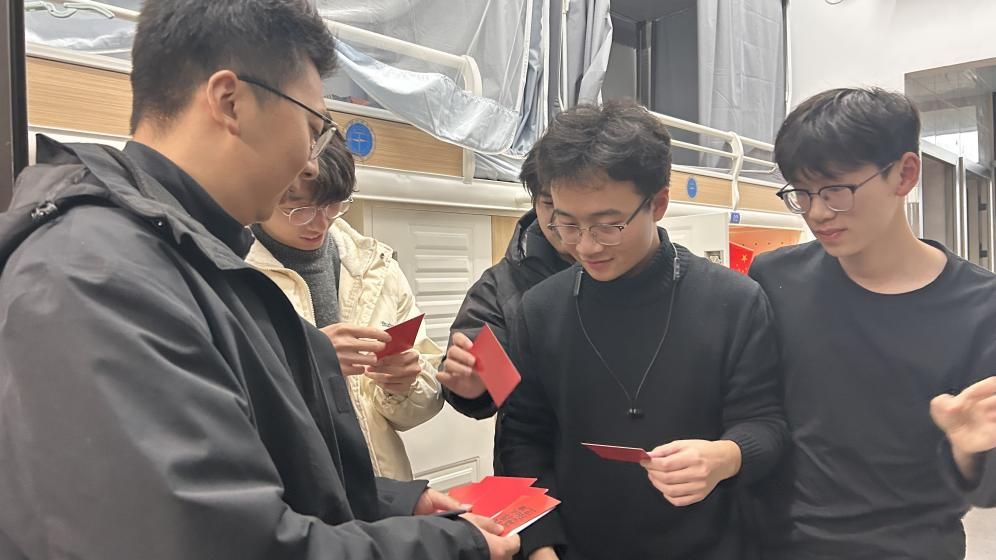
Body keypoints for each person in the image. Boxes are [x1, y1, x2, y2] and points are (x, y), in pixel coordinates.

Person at [0, 1, 518, 559]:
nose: (310, 163)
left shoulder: (193, 258)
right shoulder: (96, 273)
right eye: (313, 129)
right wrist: (451, 545)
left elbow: (260, 462)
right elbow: (218, 539)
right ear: (231, 102)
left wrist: (390, 503)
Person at [498, 100, 787, 560]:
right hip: (579, 546)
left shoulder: (733, 300)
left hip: (708, 545)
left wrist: (726, 456)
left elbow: (768, 423)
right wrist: (538, 545)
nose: (586, 246)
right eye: (567, 224)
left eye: (608, 226)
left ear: (658, 204)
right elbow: (522, 440)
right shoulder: (540, 310)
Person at [749, 87, 996, 560]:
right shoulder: (776, 278)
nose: (817, 213)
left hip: (911, 549)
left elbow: (986, 487)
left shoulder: (981, 307)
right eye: (801, 193)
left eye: (836, 191)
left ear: (904, 174)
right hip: (780, 543)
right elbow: (758, 411)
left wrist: (969, 452)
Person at [247, 138, 444, 481]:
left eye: (332, 204)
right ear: (261, 195)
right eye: (298, 209)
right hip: (286, 484)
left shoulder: (376, 267)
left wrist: (404, 385)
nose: (319, 223)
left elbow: (421, 406)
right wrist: (307, 360)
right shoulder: (230, 271)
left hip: (377, 484)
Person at [439, 148, 573, 420]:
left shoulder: (632, 270)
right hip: (532, 444)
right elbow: (480, 377)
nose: (562, 221)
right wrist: (475, 387)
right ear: (534, 201)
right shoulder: (499, 285)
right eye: (548, 203)